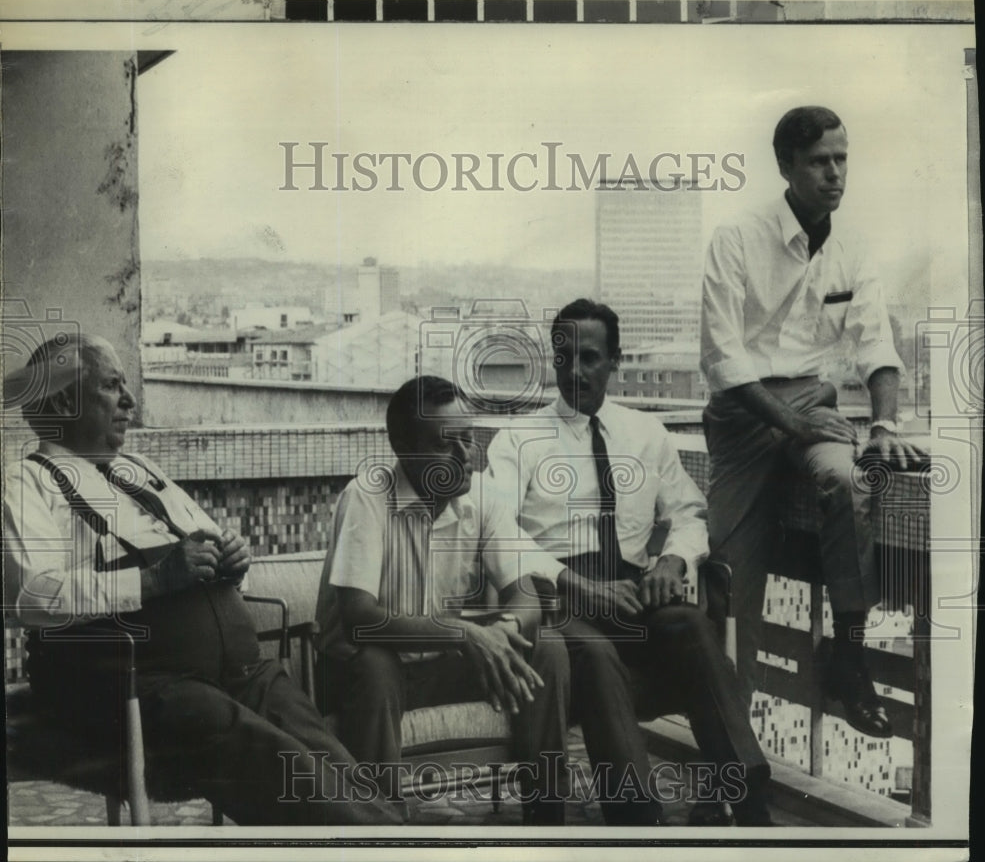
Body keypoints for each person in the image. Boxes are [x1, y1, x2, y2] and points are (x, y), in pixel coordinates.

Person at [3, 334, 401, 826]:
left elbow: (206, 540)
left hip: (236, 670)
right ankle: (388, 846)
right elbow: (31, 596)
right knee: (282, 767)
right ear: (65, 401)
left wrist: (232, 558)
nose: (129, 401)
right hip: (135, 680)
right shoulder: (27, 482)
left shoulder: (139, 470)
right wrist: (150, 580)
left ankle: (395, 831)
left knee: (326, 752)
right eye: (112, 386)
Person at [487, 299, 771, 827]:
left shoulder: (646, 434)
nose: (576, 371)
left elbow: (689, 512)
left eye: (591, 357)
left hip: (631, 593)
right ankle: (638, 815)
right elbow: (496, 532)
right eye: (565, 356)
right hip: (558, 602)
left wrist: (674, 561)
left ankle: (749, 793)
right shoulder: (518, 441)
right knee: (594, 654)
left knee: (689, 621)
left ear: (614, 360)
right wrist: (576, 584)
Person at [699, 105, 926, 737]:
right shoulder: (737, 238)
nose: (835, 174)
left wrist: (883, 428)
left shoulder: (851, 246)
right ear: (786, 167)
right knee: (730, 590)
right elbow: (722, 359)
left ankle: (847, 659)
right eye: (820, 161)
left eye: (842, 159)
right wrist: (793, 427)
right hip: (745, 419)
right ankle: (730, 764)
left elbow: (876, 345)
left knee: (851, 485)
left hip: (813, 404)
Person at [313, 375, 570, 825]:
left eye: (469, 440)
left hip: (436, 663)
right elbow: (358, 618)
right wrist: (467, 633)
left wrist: (504, 632)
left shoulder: (481, 496)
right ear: (402, 447)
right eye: (445, 445)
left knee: (545, 647)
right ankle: (383, 834)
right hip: (360, 672)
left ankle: (548, 826)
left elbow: (526, 590)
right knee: (376, 663)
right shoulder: (367, 497)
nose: (466, 457)